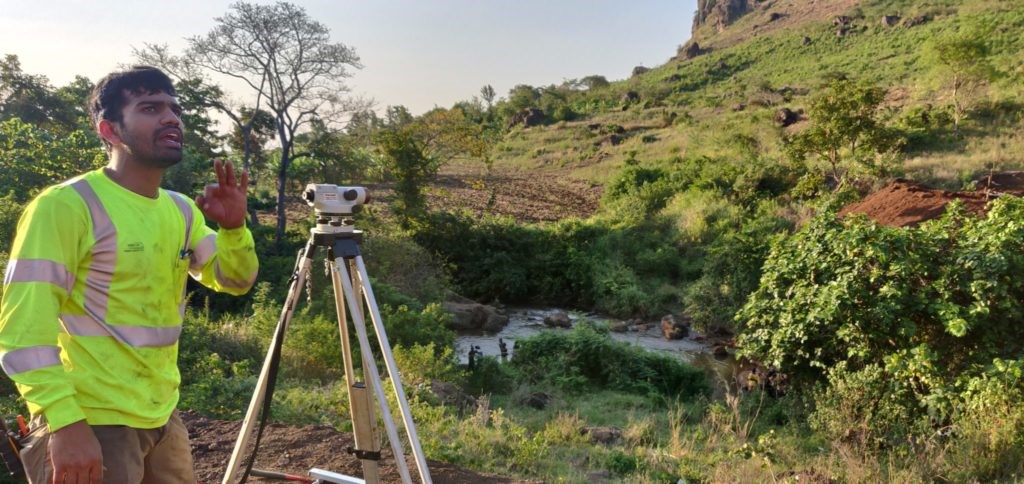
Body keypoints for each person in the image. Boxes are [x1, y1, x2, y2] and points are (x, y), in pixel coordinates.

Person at [0, 66, 259, 483]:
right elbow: (23, 331)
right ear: (109, 129)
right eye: (151, 108)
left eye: (175, 109)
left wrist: (233, 229)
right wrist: (65, 422)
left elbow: (234, 278)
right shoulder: (66, 205)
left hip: (161, 417)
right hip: (91, 419)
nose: (171, 118)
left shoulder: (181, 210)